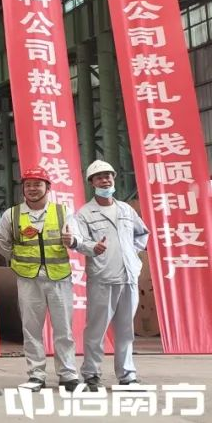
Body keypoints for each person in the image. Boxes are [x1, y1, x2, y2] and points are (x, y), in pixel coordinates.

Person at [0, 167, 79, 393]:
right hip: (28, 279)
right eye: (28, 185)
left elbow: (76, 238)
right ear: (23, 189)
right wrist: (17, 259)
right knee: (31, 329)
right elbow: (1, 242)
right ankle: (36, 375)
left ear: (47, 188)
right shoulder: (12, 215)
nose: (32, 189)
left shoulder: (63, 212)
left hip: (59, 278)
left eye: (37, 184)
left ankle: (68, 374)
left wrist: (72, 240)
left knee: (64, 329)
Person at [74, 160, 149, 391]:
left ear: (113, 178)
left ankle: (127, 375)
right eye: (99, 177)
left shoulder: (126, 210)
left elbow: (142, 234)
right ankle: (91, 374)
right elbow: (79, 241)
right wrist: (93, 248)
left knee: (125, 330)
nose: (104, 180)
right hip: (103, 279)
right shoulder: (85, 213)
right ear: (92, 183)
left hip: (128, 277)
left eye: (108, 176)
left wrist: (131, 254)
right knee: (96, 330)